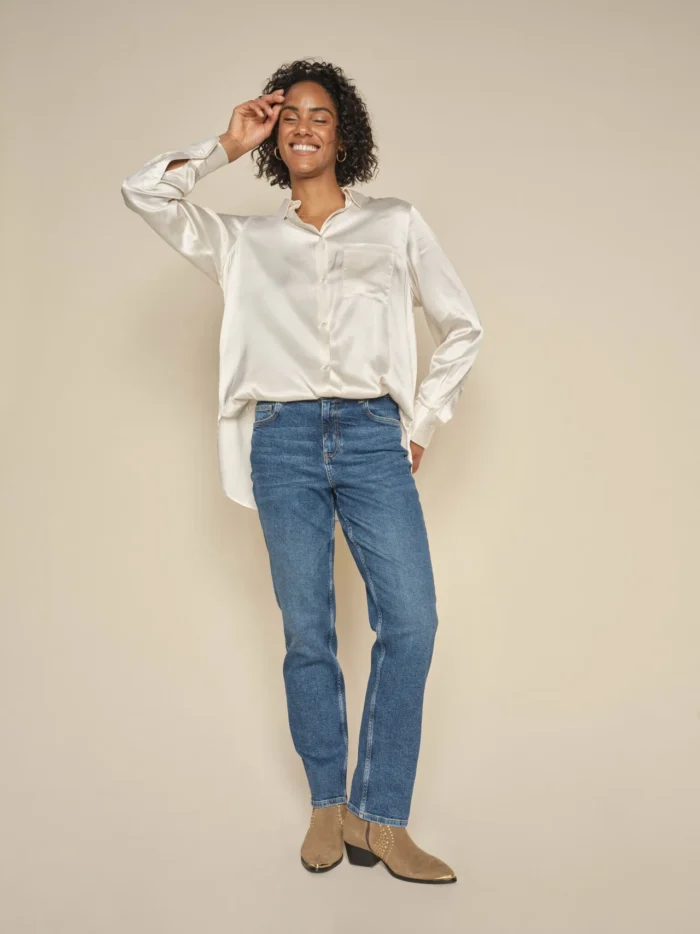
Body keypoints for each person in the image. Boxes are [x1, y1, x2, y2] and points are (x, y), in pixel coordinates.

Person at [121, 58, 484, 884]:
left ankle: (379, 817)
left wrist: (422, 421)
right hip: (281, 440)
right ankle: (328, 802)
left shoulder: (395, 224)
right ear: (274, 135)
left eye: (320, 115)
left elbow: (463, 325)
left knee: (413, 621)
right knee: (307, 629)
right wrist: (224, 143)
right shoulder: (244, 243)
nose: (304, 128)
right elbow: (144, 193)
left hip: (371, 435)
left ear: (343, 135)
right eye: (290, 116)